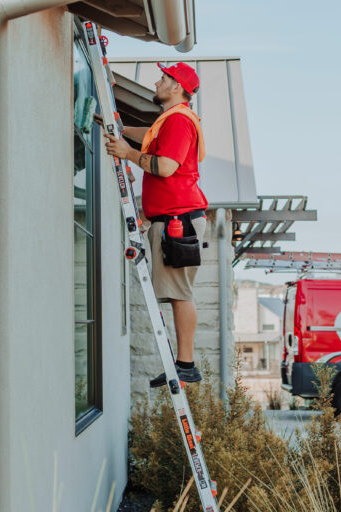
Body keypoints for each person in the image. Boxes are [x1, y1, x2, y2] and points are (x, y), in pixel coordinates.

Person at [104, 62, 207, 388]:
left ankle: (186, 365)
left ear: (177, 87)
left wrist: (127, 152)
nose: (157, 81)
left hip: (179, 222)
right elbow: (149, 138)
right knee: (178, 292)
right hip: (173, 219)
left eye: (164, 78)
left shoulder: (177, 121)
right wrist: (118, 130)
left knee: (180, 293)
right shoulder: (168, 122)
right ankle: (184, 363)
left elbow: (164, 166)